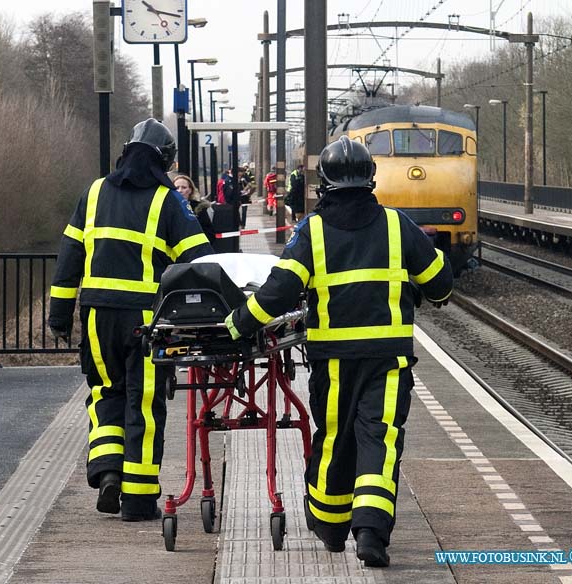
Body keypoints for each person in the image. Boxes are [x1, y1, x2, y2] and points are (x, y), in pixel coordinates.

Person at [224, 136, 453, 567]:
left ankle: (331, 527)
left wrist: (238, 323)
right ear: (371, 179)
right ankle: (371, 533)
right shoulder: (396, 225)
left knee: (333, 440)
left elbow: (278, 292)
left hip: (333, 362)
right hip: (387, 360)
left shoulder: (311, 231)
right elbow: (440, 284)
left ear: (323, 184)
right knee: (379, 440)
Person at [47, 119, 214, 522]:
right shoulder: (166, 200)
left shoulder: (94, 192)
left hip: (96, 317)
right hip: (145, 323)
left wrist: (58, 317)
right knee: (143, 404)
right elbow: (199, 261)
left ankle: (107, 471)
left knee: (106, 391)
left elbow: (68, 259)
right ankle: (138, 500)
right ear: (165, 162)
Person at [174, 174, 216, 241]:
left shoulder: (199, 208)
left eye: (184, 187)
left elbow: (209, 234)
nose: (180, 190)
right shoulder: (167, 208)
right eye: (176, 188)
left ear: (190, 190)